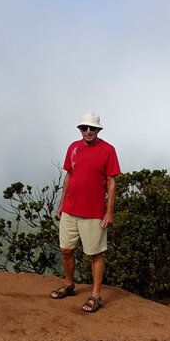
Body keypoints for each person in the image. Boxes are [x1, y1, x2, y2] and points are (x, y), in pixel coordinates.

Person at [50, 112, 120, 313]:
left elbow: (111, 183)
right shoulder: (73, 148)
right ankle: (69, 284)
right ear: (80, 129)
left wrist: (109, 212)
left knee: (96, 253)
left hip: (94, 212)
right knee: (66, 250)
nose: (88, 131)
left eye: (92, 128)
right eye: (84, 128)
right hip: (70, 210)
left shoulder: (108, 150)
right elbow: (68, 177)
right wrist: (61, 204)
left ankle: (96, 295)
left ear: (98, 130)